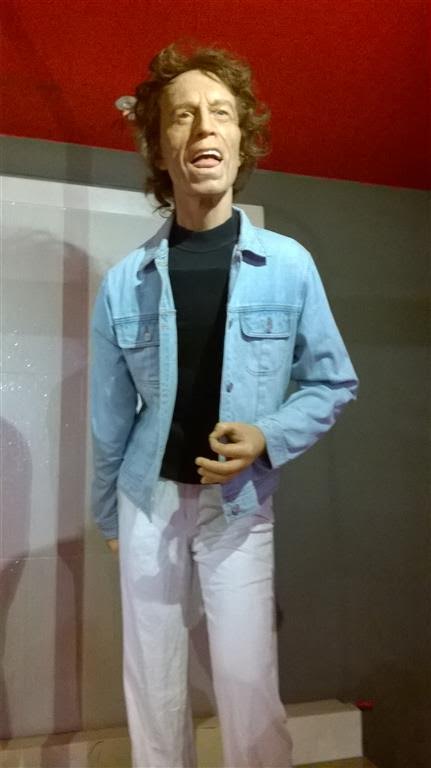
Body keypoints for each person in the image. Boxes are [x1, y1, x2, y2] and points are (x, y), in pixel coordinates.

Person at [91, 42, 359, 768]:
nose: (203, 127)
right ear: (160, 148)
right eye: (182, 116)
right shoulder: (124, 282)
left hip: (239, 506)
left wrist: (267, 435)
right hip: (146, 502)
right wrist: (110, 516)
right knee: (152, 682)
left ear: (242, 138)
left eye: (220, 112)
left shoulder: (289, 265)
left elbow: (333, 381)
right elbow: (109, 418)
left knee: (246, 683)